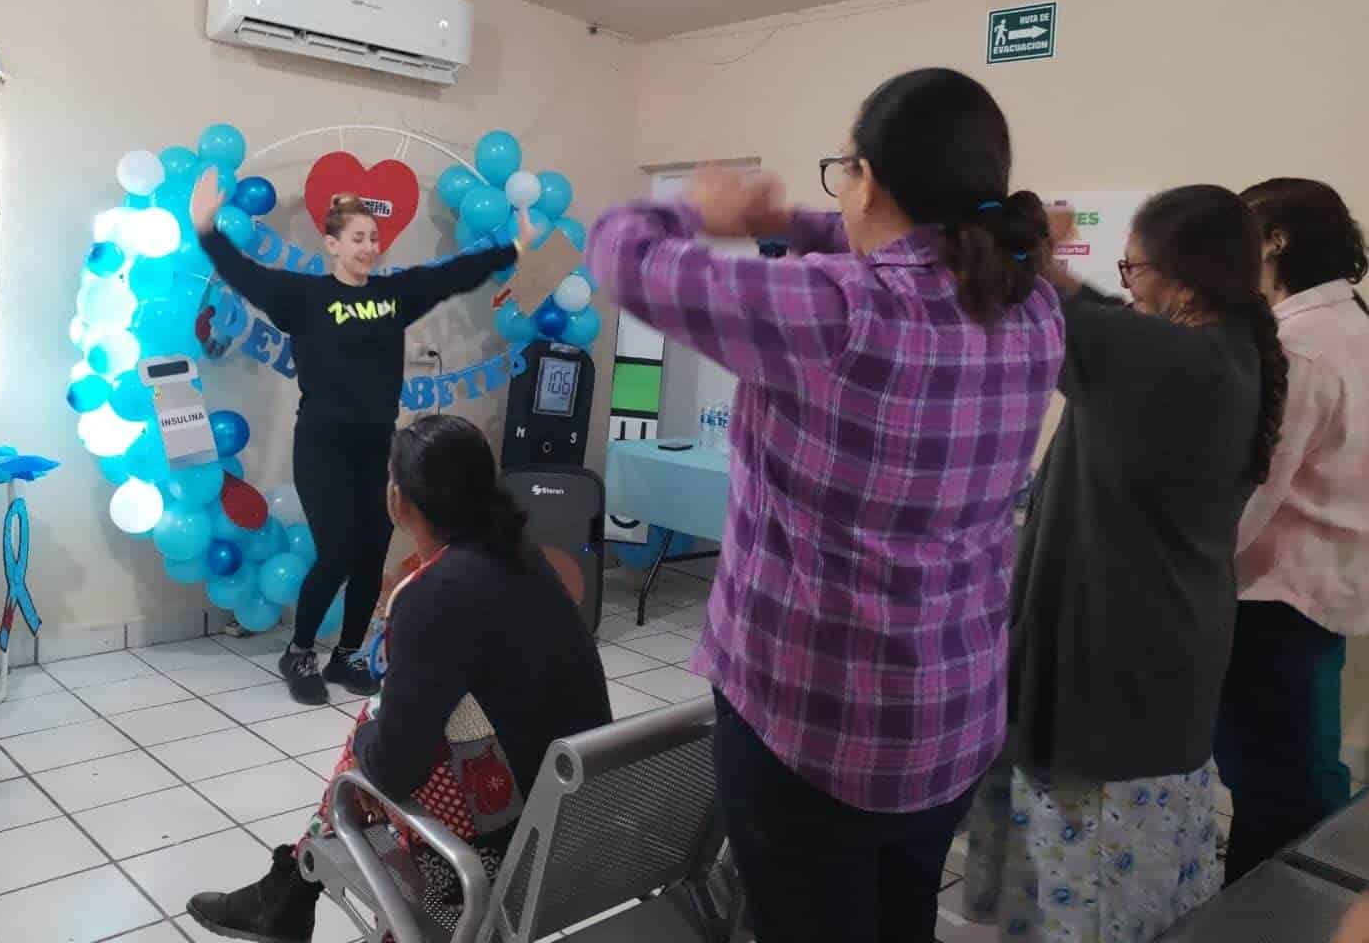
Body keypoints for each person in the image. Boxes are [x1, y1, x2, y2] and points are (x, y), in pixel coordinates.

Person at [587, 68, 1066, 943]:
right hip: (952, 716)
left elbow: (622, 254)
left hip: (813, 725)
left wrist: (696, 206)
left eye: (841, 171)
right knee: (897, 919)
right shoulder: (1031, 305)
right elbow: (894, 245)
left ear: (869, 177)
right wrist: (782, 222)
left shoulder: (839, 312)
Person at [965, 185, 1287, 940]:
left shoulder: (1178, 366)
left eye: (1133, 267)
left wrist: (1028, 243)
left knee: (1098, 899)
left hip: (1114, 674)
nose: (1127, 282)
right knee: (1146, 882)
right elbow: (1097, 316)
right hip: (1159, 660)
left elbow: (1046, 299)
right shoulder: (1223, 351)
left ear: (1181, 276)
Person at [186, 414, 611, 941]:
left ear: (397, 500)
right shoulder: (522, 556)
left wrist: (366, 741)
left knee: (373, 728)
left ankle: (291, 890)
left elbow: (392, 771)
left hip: (503, 850)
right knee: (399, 717)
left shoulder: (432, 592)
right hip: (579, 819)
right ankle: (289, 891)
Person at [192, 173, 530, 704]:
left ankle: (346, 656)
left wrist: (512, 247)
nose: (369, 247)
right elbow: (246, 274)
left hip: (377, 447)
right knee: (337, 552)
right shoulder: (303, 296)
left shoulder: (393, 296)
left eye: (373, 238)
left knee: (373, 551)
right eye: (357, 238)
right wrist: (207, 231)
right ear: (331, 245)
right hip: (322, 447)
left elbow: (452, 275)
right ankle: (298, 651)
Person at [1213, 178, 1369, 882]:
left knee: (1278, 788)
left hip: (1274, 596)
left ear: (1275, 242)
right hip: (1324, 587)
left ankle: (1269, 913)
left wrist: (1187, 570)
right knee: (1301, 766)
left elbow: (1254, 489)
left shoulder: (1299, 346)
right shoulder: (1352, 324)